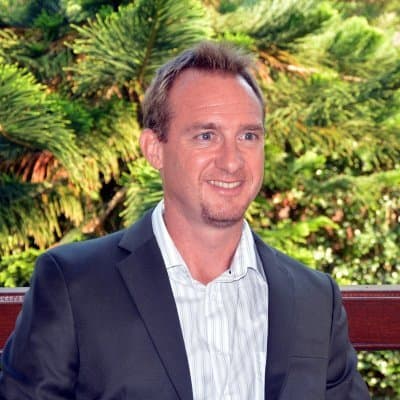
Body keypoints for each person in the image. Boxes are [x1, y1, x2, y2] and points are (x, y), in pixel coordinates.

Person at [0, 41, 370, 399]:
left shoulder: (315, 299)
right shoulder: (73, 284)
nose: (231, 161)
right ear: (154, 150)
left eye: (248, 135)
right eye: (206, 136)